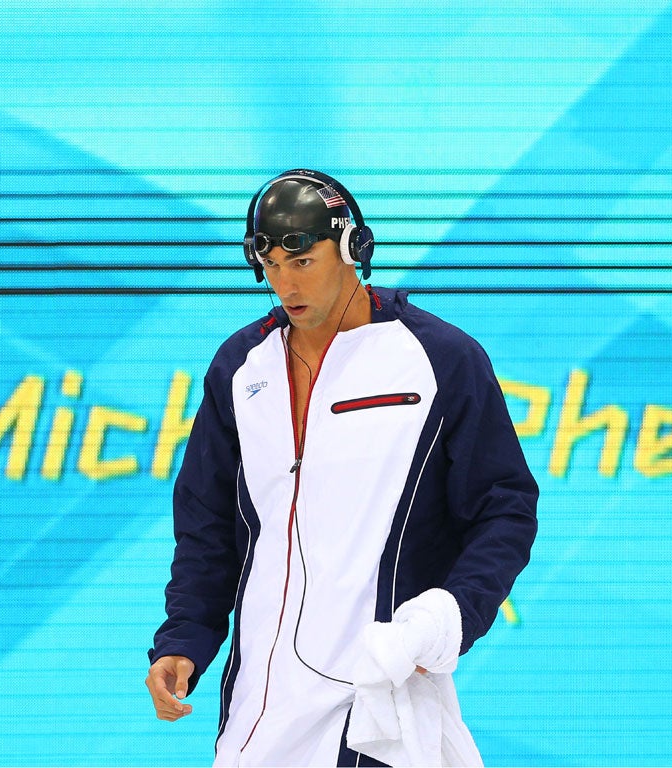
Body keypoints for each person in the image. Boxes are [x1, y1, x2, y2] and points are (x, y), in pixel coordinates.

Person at [145, 169, 538, 767]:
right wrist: (185, 637)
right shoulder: (241, 367)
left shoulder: (439, 361)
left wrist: (447, 615)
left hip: (377, 700)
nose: (285, 283)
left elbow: (504, 509)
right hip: (258, 713)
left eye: (302, 261)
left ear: (353, 247)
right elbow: (207, 524)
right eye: (271, 265)